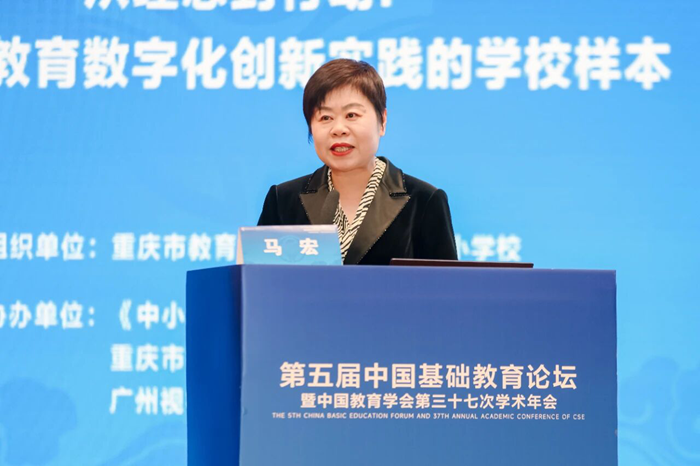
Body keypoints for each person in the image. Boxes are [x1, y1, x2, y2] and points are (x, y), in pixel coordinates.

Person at [258, 59, 457, 265]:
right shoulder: (283, 200)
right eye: (325, 118)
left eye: (351, 115)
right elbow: (259, 279)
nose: (338, 129)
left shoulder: (424, 201)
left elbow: (446, 284)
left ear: (382, 121)